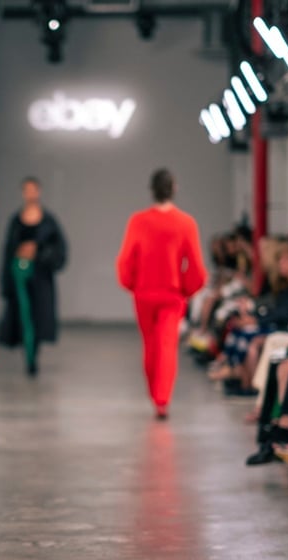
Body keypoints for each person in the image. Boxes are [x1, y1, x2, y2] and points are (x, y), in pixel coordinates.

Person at [117, 168, 207, 419]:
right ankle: (162, 399)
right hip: (172, 294)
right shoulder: (185, 223)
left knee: (150, 345)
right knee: (167, 345)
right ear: (174, 188)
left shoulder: (138, 220)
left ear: (151, 189)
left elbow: (126, 259)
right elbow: (196, 265)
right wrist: (187, 290)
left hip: (145, 294)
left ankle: (155, 395)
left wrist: (132, 285)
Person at [0, 177, 67, 376]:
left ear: (38, 191)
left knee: (37, 314)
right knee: (24, 314)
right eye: (26, 190)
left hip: (40, 275)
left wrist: (39, 252)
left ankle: (33, 353)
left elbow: (59, 248)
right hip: (18, 272)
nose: (30, 194)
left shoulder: (48, 221)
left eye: (33, 190)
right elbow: (8, 249)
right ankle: (29, 357)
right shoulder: (16, 220)